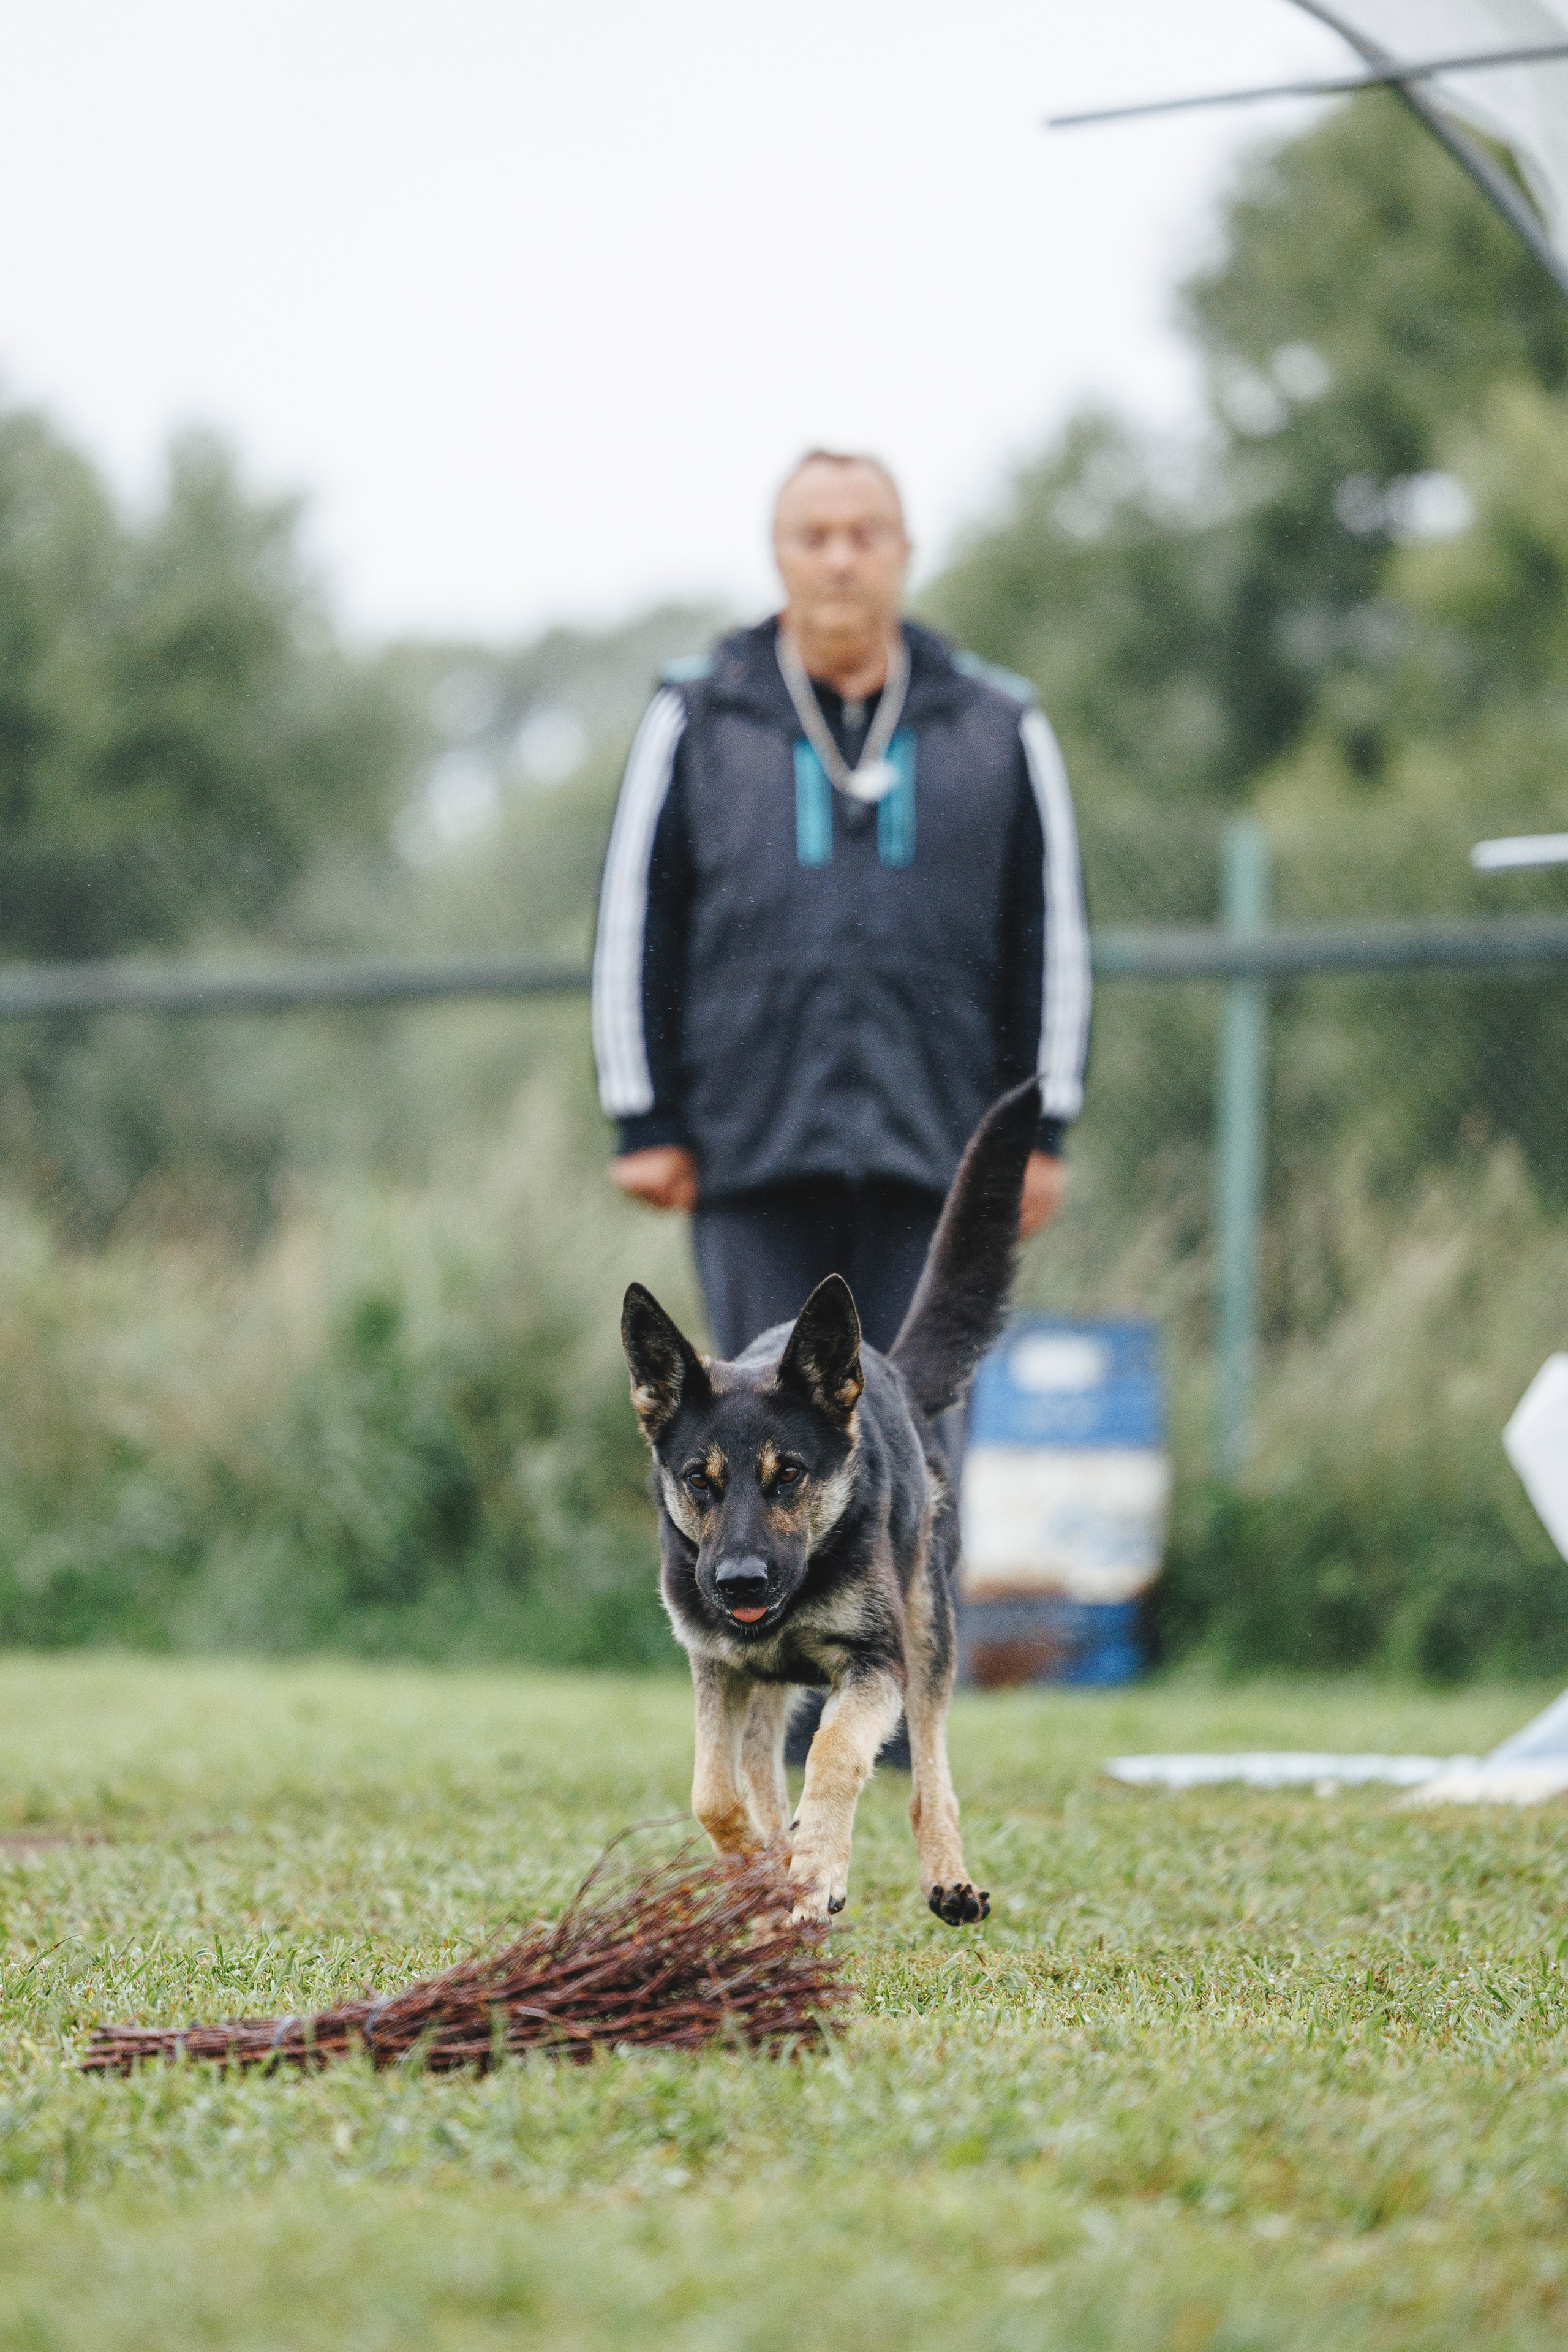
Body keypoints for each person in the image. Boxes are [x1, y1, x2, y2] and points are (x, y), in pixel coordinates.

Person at [591, 448, 1091, 1369]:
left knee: (917, 1451)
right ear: (777, 554)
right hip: (751, 1149)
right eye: (812, 536)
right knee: (762, 1448)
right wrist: (644, 1118)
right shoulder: (698, 717)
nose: (839, 559)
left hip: (942, 1154)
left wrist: (1044, 1131)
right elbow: (638, 922)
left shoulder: (998, 725)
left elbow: (1048, 939)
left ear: (905, 550)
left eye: (866, 535)